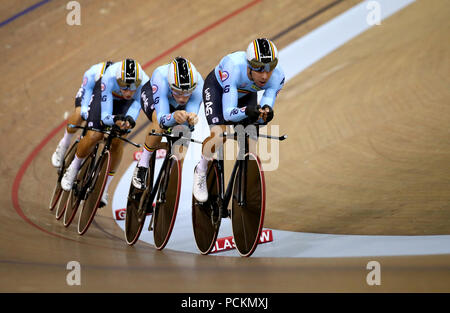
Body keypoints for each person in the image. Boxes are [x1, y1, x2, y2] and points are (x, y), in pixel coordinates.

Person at [193, 38, 285, 202]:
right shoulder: (233, 66)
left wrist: (264, 115)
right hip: (218, 89)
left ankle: (244, 183)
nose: (265, 76)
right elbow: (228, 114)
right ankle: (201, 169)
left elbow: (264, 111)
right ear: (249, 65)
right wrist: (248, 111)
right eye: (259, 69)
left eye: (269, 68)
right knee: (219, 135)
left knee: (250, 137)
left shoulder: (277, 77)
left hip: (245, 94)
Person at [60, 59, 149, 207]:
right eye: (125, 88)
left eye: (132, 88)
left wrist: (128, 121)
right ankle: (74, 167)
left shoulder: (144, 83)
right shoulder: (109, 76)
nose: (128, 92)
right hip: (105, 99)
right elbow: (105, 115)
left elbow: (136, 106)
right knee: (94, 134)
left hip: (124, 105)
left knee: (118, 141)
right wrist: (113, 120)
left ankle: (105, 187)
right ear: (118, 80)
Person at [132, 56, 203, 190]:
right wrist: (174, 116)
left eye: (187, 93)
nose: (182, 98)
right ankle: (142, 164)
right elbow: (162, 119)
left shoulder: (199, 85)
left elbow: (190, 117)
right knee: (159, 126)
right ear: (171, 85)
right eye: (178, 92)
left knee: (184, 134)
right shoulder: (161, 77)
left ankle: (170, 182)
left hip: (175, 106)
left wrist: (191, 119)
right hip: (155, 97)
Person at [51, 61, 113, 168]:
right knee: (80, 114)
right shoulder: (94, 72)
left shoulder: (116, 84)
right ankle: (64, 142)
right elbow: (86, 91)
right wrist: (85, 109)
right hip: (90, 92)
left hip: (105, 99)